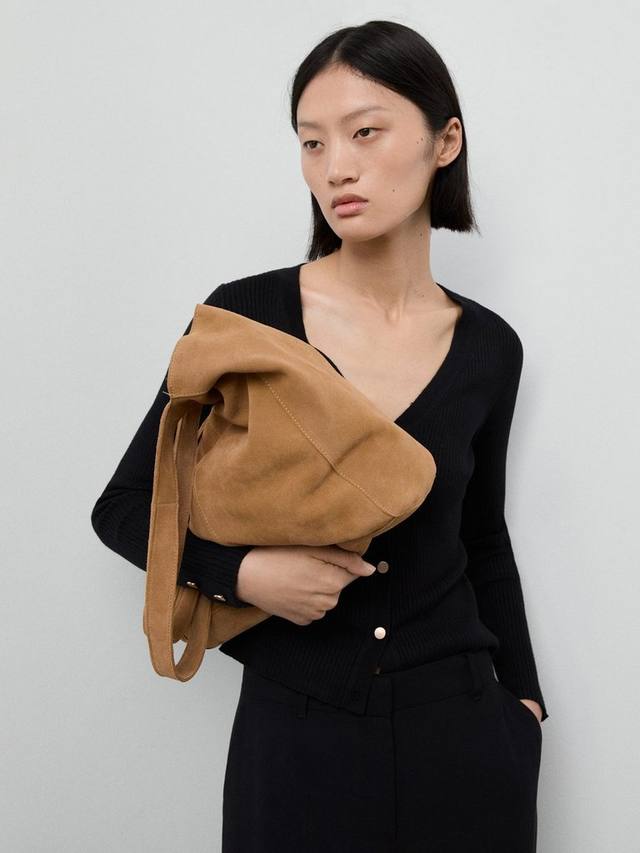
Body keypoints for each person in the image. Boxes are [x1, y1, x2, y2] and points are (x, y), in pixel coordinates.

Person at [91, 19, 549, 853]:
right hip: (295, 742)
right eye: (312, 142)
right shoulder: (243, 317)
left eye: (365, 132)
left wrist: (525, 706)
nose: (336, 166)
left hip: (466, 739)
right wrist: (243, 573)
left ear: (445, 141)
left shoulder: (491, 347)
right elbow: (125, 507)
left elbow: (483, 538)